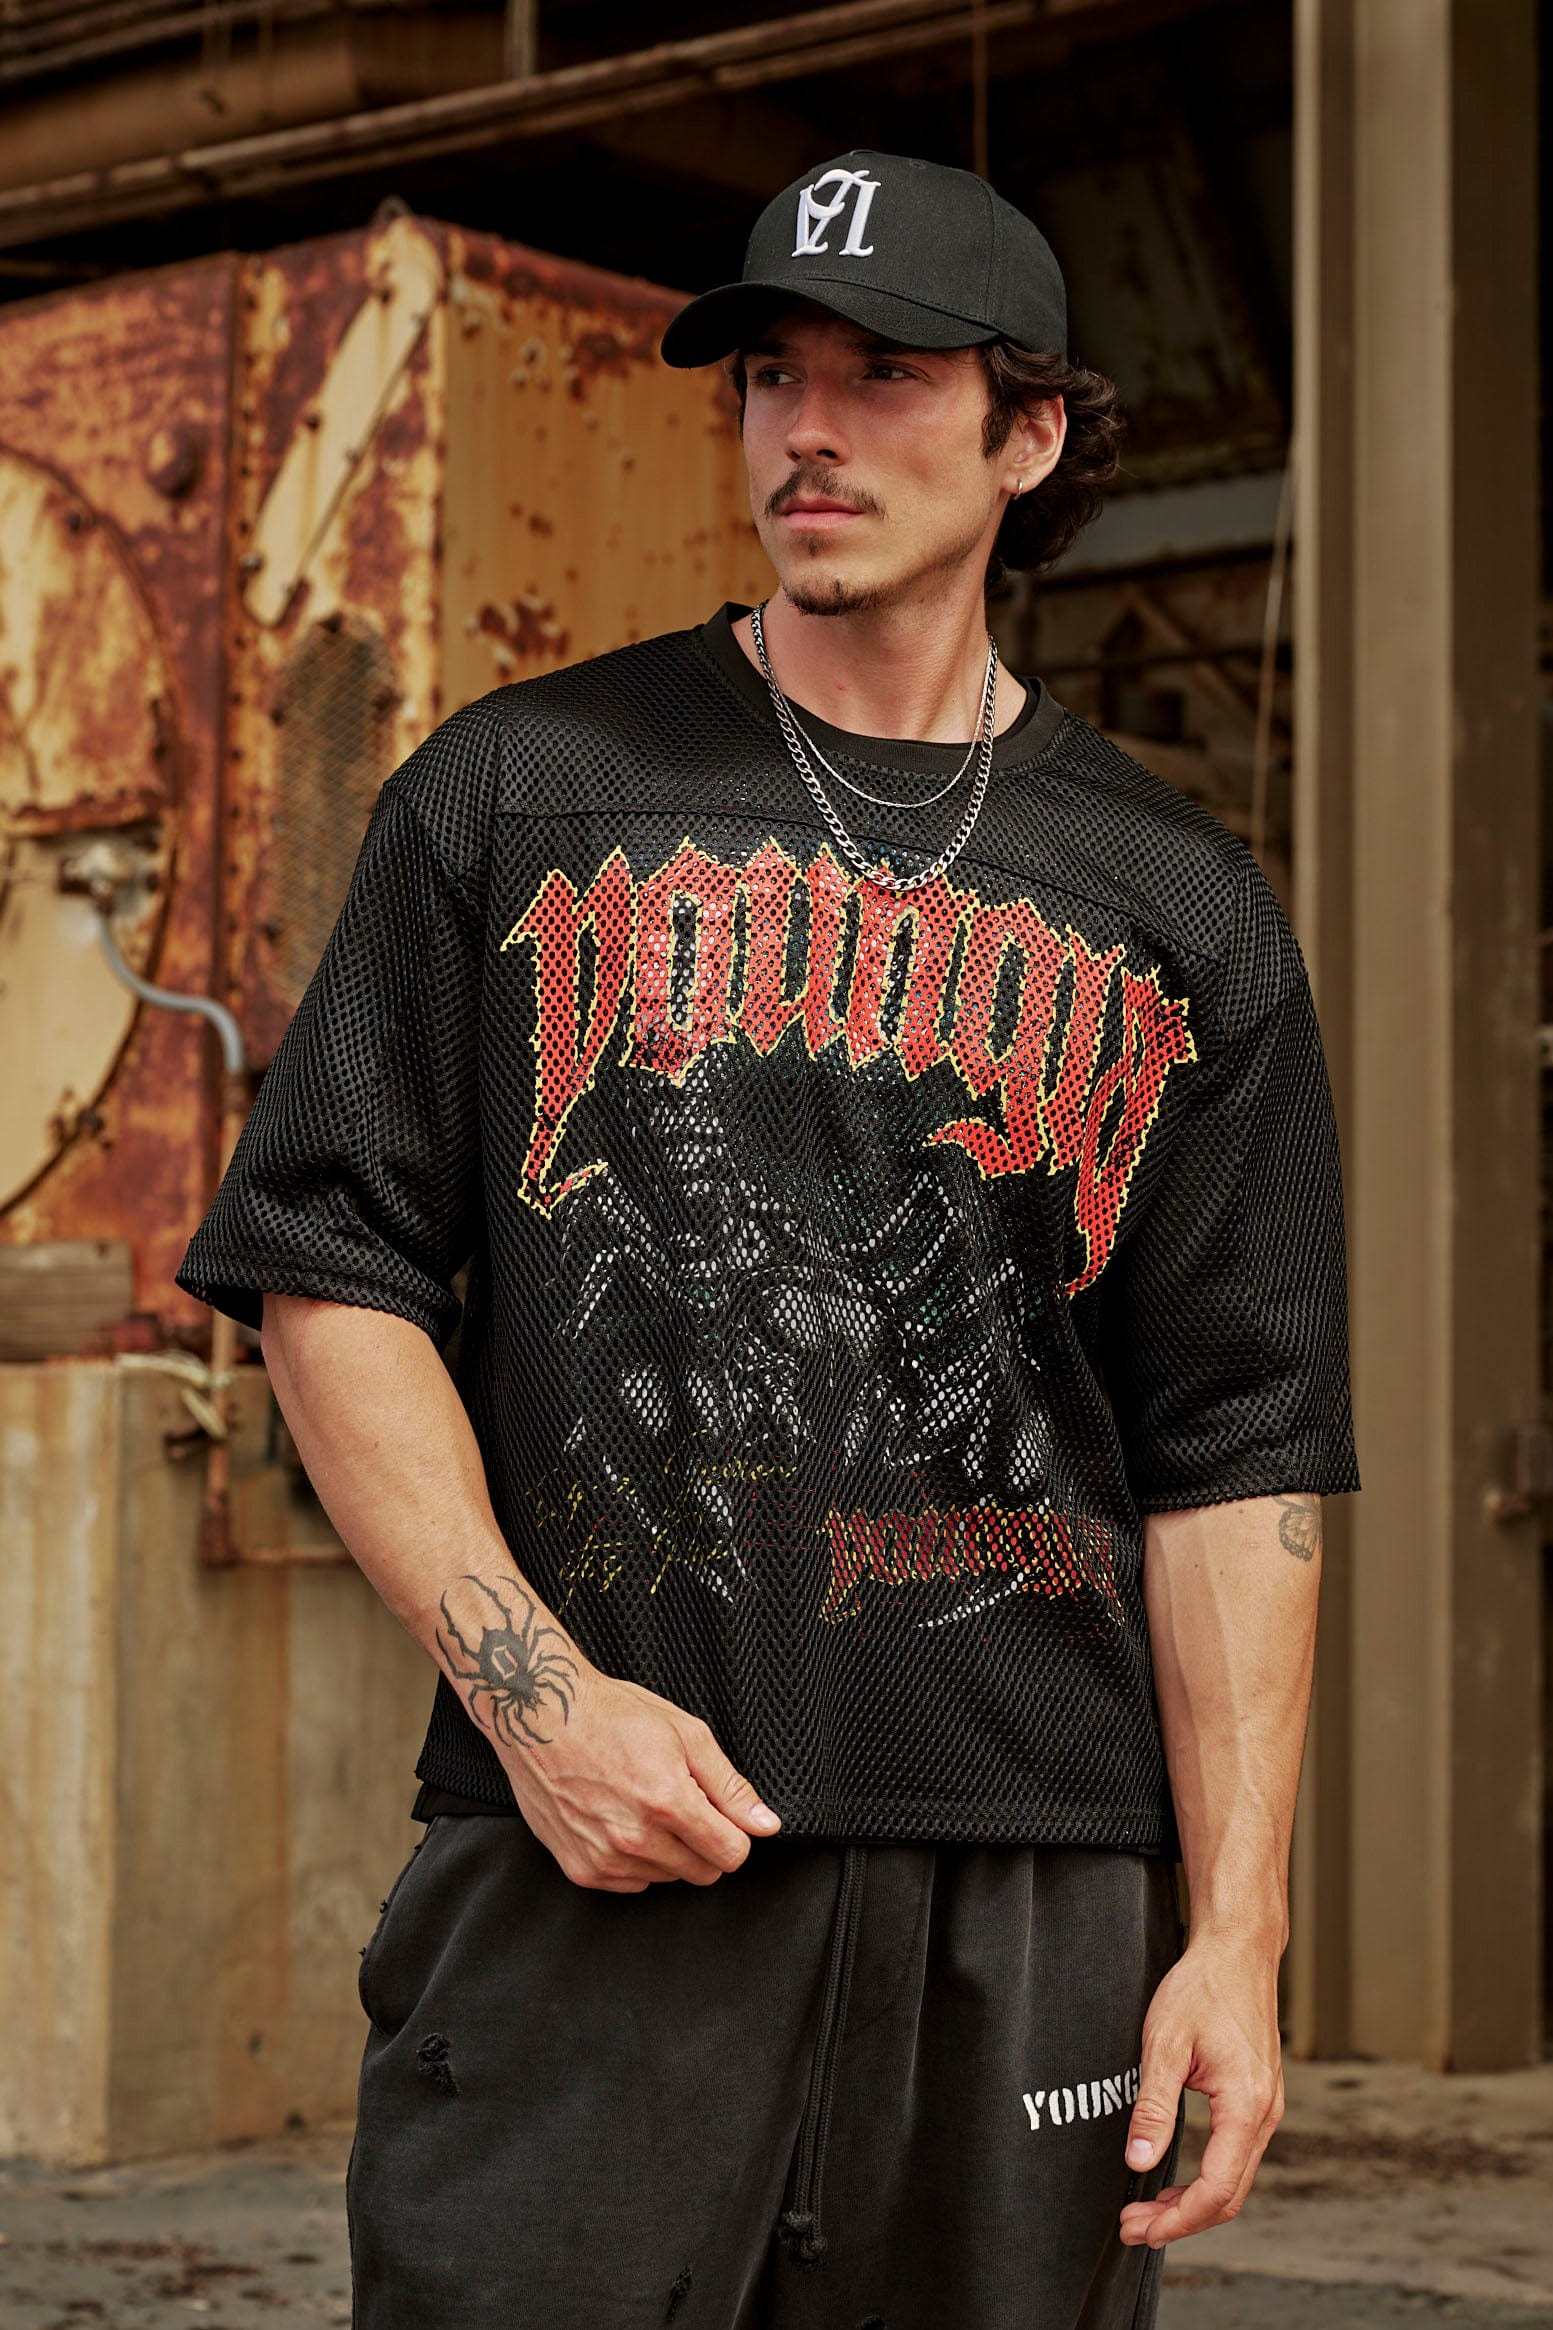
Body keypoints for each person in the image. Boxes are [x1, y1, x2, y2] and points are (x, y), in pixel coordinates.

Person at [175, 147, 1360, 2330]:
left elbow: (1239, 1441)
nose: (807, 430)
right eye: (768, 376)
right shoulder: (520, 789)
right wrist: (535, 1703)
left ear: (1028, 434)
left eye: (884, 376)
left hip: (1029, 1887)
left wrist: (1236, 1932)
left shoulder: (1179, 900)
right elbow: (328, 1268)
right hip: (599, 1846)